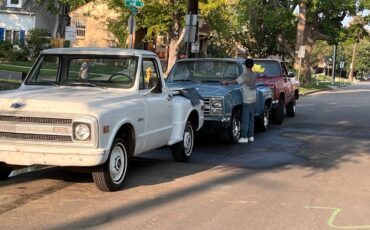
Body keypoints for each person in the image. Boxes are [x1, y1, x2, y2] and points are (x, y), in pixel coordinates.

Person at [221, 58, 257, 143]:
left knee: (245, 118)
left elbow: (236, 81)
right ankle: (251, 136)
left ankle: (244, 137)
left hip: (247, 99)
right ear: (252, 65)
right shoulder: (255, 74)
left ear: (245, 65)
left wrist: (226, 82)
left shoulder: (245, 75)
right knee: (251, 118)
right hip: (253, 98)